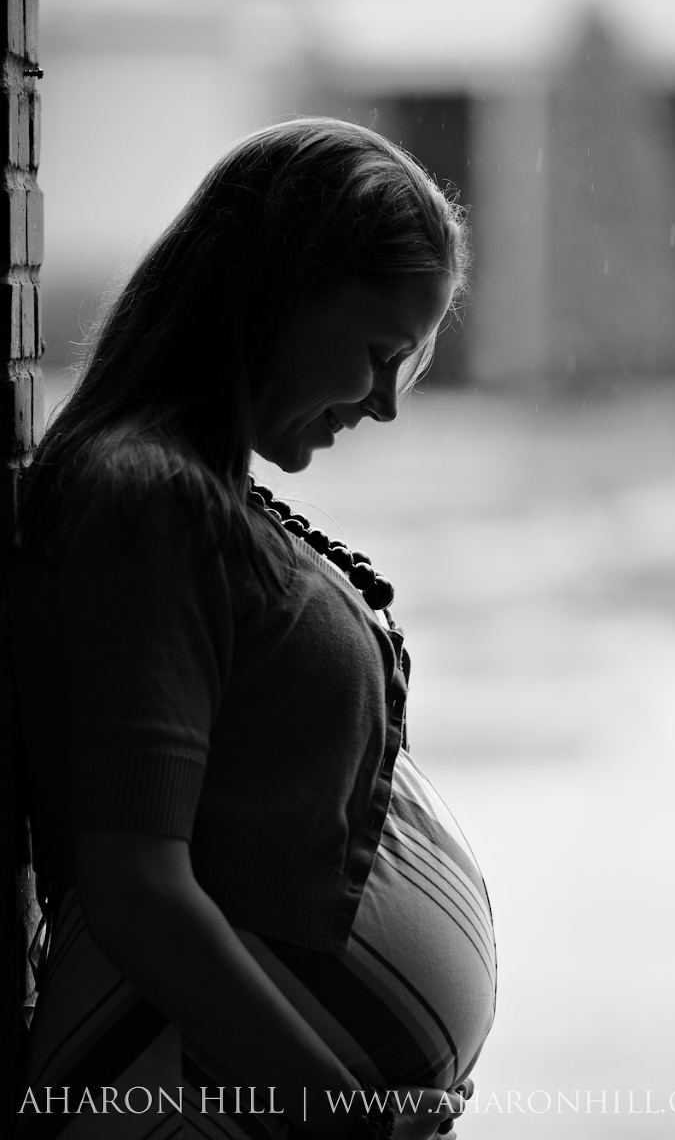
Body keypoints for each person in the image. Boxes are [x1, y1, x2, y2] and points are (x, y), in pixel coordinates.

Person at [12, 117, 496, 1140]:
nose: (384, 405)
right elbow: (138, 888)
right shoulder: (142, 501)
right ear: (274, 293)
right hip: (175, 1092)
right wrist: (339, 1117)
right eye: (376, 353)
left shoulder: (188, 491)